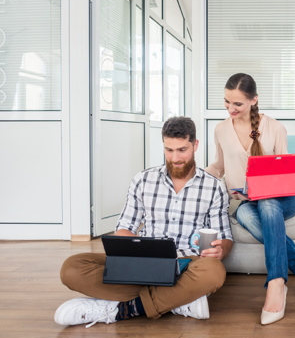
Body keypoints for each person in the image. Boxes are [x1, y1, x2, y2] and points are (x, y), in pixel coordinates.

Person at [55, 117, 233, 327]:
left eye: (182, 150)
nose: (175, 158)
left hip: (188, 265)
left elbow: (225, 238)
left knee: (214, 271)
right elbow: (123, 229)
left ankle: (121, 309)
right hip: (145, 263)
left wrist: (220, 251)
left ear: (195, 145)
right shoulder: (143, 180)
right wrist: (142, 252)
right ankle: (177, 301)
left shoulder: (214, 187)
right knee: (72, 268)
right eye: (169, 150)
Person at [205, 73, 295, 326]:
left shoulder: (276, 128)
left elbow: (289, 175)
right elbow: (218, 167)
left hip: (283, 198)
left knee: (268, 202)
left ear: (254, 100)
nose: (230, 108)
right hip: (249, 201)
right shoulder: (221, 129)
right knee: (245, 213)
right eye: (226, 102)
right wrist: (194, 175)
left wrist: (268, 188)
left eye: (237, 104)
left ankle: (276, 283)